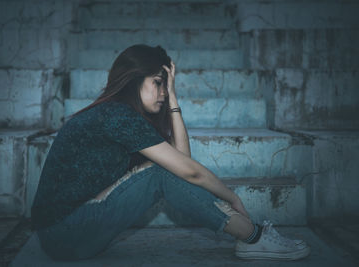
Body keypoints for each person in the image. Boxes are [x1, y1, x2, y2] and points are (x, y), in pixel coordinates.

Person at [31, 44, 311, 261]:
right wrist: (232, 197)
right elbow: (188, 171)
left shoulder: (122, 116)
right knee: (160, 174)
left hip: (68, 234)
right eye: (158, 82)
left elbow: (183, 163)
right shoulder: (116, 115)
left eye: (166, 84)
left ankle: (250, 236)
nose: (163, 91)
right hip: (64, 234)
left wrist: (173, 97)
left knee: (164, 169)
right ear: (133, 80)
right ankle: (252, 237)